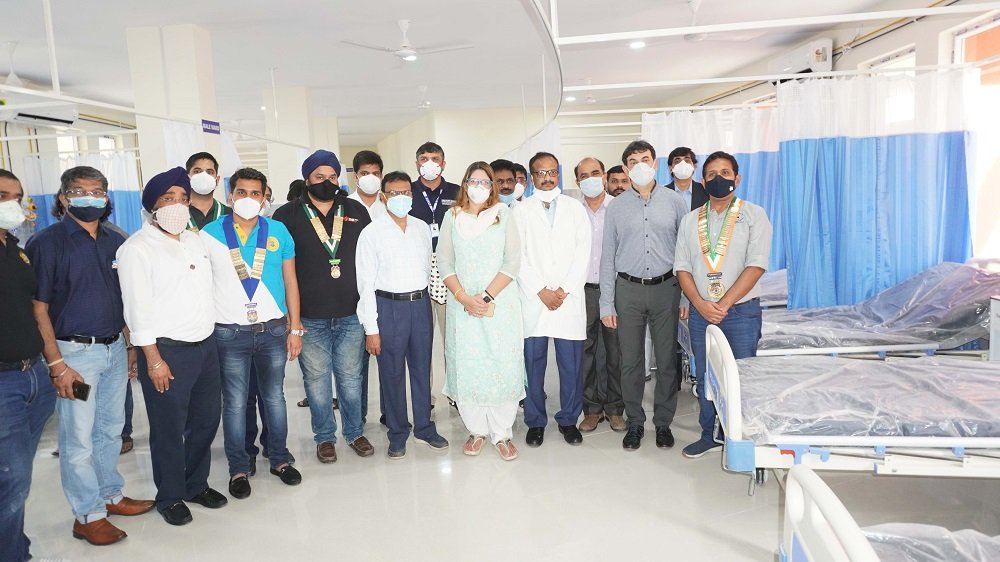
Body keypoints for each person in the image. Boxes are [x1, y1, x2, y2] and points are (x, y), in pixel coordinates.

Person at [27, 166, 155, 546]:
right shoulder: (46, 243)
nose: (91, 197)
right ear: (64, 198)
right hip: (75, 357)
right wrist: (57, 365)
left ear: (107, 197)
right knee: (79, 437)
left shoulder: (115, 240)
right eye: (80, 191)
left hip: (114, 350)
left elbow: (126, 298)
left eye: (98, 191)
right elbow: (38, 309)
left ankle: (110, 494)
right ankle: (87, 514)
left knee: (110, 428)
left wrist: (130, 346)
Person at [117, 167, 227, 526]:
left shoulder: (195, 240)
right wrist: (153, 360)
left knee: (207, 420)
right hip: (166, 352)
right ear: (152, 206)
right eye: (169, 199)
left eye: (183, 198)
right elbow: (136, 310)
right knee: (168, 428)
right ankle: (170, 495)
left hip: (205, 347)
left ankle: (196, 484)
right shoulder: (136, 249)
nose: (178, 205)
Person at [200, 167, 304, 498]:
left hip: (274, 329)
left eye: (255, 193)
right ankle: (239, 468)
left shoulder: (279, 230)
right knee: (233, 402)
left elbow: (291, 281)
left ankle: (279, 459)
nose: (248, 199)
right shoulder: (209, 235)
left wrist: (296, 328)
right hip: (229, 333)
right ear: (229, 196)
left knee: (274, 397)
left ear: (265, 197)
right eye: (241, 193)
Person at [272, 150, 374, 462]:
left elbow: (370, 262)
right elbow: (281, 271)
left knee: (351, 377)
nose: (327, 183)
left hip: (351, 313)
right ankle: (325, 437)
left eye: (332, 177)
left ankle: (355, 432)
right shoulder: (286, 216)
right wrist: (292, 320)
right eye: (319, 177)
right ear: (307, 180)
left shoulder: (356, 210)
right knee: (316, 381)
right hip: (308, 317)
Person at [675, 151, 771, 458]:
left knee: (741, 376)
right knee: (706, 376)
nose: (719, 179)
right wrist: (701, 304)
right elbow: (682, 268)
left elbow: (756, 266)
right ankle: (709, 434)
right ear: (703, 181)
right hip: (702, 313)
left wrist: (724, 303)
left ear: (737, 178)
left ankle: (742, 437)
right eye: (712, 174)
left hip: (741, 311)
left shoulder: (754, 215)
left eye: (725, 173)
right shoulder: (691, 220)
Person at [600, 140, 689, 451]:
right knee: (631, 362)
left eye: (645, 159)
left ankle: (663, 423)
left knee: (666, 361)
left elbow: (686, 252)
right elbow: (608, 255)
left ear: (655, 163)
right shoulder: (617, 207)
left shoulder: (676, 202)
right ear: (625, 168)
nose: (639, 164)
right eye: (633, 160)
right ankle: (635, 422)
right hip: (628, 290)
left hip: (667, 290)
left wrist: (687, 298)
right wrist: (606, 302)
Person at [357, 171, 449, 459]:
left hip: (420, 305)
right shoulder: (371, 233)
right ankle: (397, 432)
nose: (401, 198)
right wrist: (371, 328)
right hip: (389, 307)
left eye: (406, 192)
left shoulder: (422, 227)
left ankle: (424, 426)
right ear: (383, 197)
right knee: (391, 372)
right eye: (394, 193)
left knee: (423, 368)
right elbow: (365, 283)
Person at [439, 162, 524, 460]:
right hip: (462, 306)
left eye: (485, 182)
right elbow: (445, 262)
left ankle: (502, 434)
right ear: (464, 184)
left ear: (492, 186)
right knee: (468, 364)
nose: (479, 186)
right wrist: (464, 297)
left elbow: (513, 261)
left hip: (499, 304)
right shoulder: (452, 217)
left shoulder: (503, 215)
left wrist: (485, 297)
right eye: (473, 181)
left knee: (502, 363)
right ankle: (477, 431)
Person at [514, 152, 590, 447]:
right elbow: (517, 256)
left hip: (568, 298)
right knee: (533, 363)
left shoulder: (575, 208)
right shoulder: (521, 211)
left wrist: (564, 289)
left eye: (551, 172)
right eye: (539, 172)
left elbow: (583, 251)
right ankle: (535, 421)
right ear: (532, 178)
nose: (546, 177)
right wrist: (541, 290)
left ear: (558, 174)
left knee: (570, 364)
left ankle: (569, 419)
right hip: (534, 299)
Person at [0, 169, 57, 562]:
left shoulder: (14, 248)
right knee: (13, 479)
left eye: (16, 197)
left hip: (34, 374)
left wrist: (52, 364)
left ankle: (15, 546)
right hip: (3, 381)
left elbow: (34, 309)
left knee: (16, 477)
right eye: (3, 195)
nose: (11, 204)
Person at [574, 157, 625, 432]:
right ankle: (591, 409)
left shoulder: (619, 208)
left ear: (604, 176)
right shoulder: (572, 211)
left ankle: (615, 409)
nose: (591, 178)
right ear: (577, 181)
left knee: (616, 352)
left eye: (596, 173)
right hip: (582, 291)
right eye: (585, 175)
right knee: (586, 352)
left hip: (615, 290)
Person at [409, 142, 460, 406]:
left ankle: (455, 392)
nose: (430, 163)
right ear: (417, 163)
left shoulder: (456, 192)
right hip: (417, 271)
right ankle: (423, 396)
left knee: (452, 338)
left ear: (443, 163)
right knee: (421, 342)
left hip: (450, 272)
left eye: (435, 158)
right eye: (424, 158)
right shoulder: (407, 192)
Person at [348, 150, 387, 424]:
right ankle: (357, 416)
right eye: (364, 174)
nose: (370, 178)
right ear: (355, 176)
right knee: (357, 364)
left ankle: (390, 413)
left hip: (386, 294)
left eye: (375, 173)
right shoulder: (345, 207)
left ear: (381, 175)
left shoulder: (390, 206)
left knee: (388, 360)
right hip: (353, 293)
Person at [186, 152, 231, 231]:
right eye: (197, 171)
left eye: (209, 172)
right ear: (187, 178)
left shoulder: (230, 214)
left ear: (217, 180)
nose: (204, 175)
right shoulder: (177, 213)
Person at [666, 146, 707, 211]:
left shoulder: (705, 191)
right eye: (677, 161)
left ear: (694, 166)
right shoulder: (663, 193)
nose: (682, 164)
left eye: (687, 161)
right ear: (670, 168)